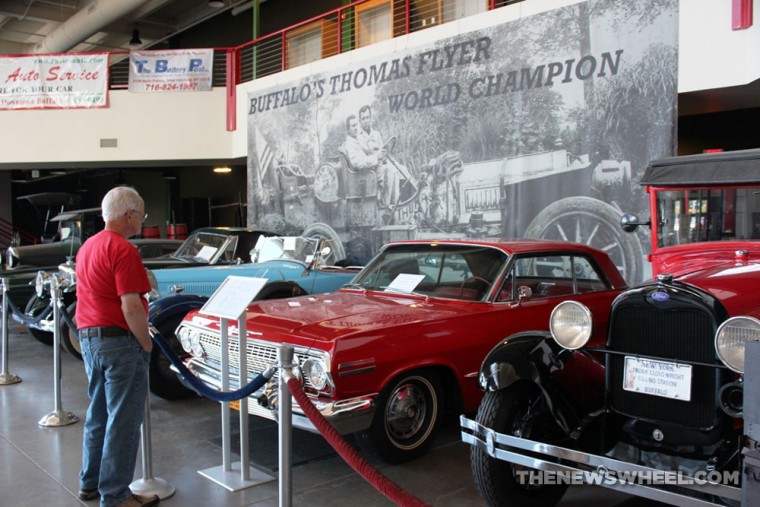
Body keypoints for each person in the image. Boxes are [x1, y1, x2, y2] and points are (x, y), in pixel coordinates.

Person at [76, 186, 160, 507]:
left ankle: (90, 483)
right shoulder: (123, 250)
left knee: (98, 414)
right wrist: (146, 343)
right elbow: (131, 307)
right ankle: (115, 496)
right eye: (140, 215)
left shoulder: (88, 247)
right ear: (128, 215)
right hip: (119, 344)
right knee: (124, 420)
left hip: (90, 340)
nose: (140, 221)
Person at [358, 105, 399, 209]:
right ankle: (386, 205)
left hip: (380, 165)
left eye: (368, 117)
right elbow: (362, 158)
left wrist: (385, 156)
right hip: (368, 170)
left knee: (394, 169)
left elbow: (382, 148)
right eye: (363, 118)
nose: (366, 121)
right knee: (388, 171)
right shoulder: (358, 138)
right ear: (360, 121)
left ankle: (395, 202)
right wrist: (377, 156)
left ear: (371, 118)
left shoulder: (376, 134)